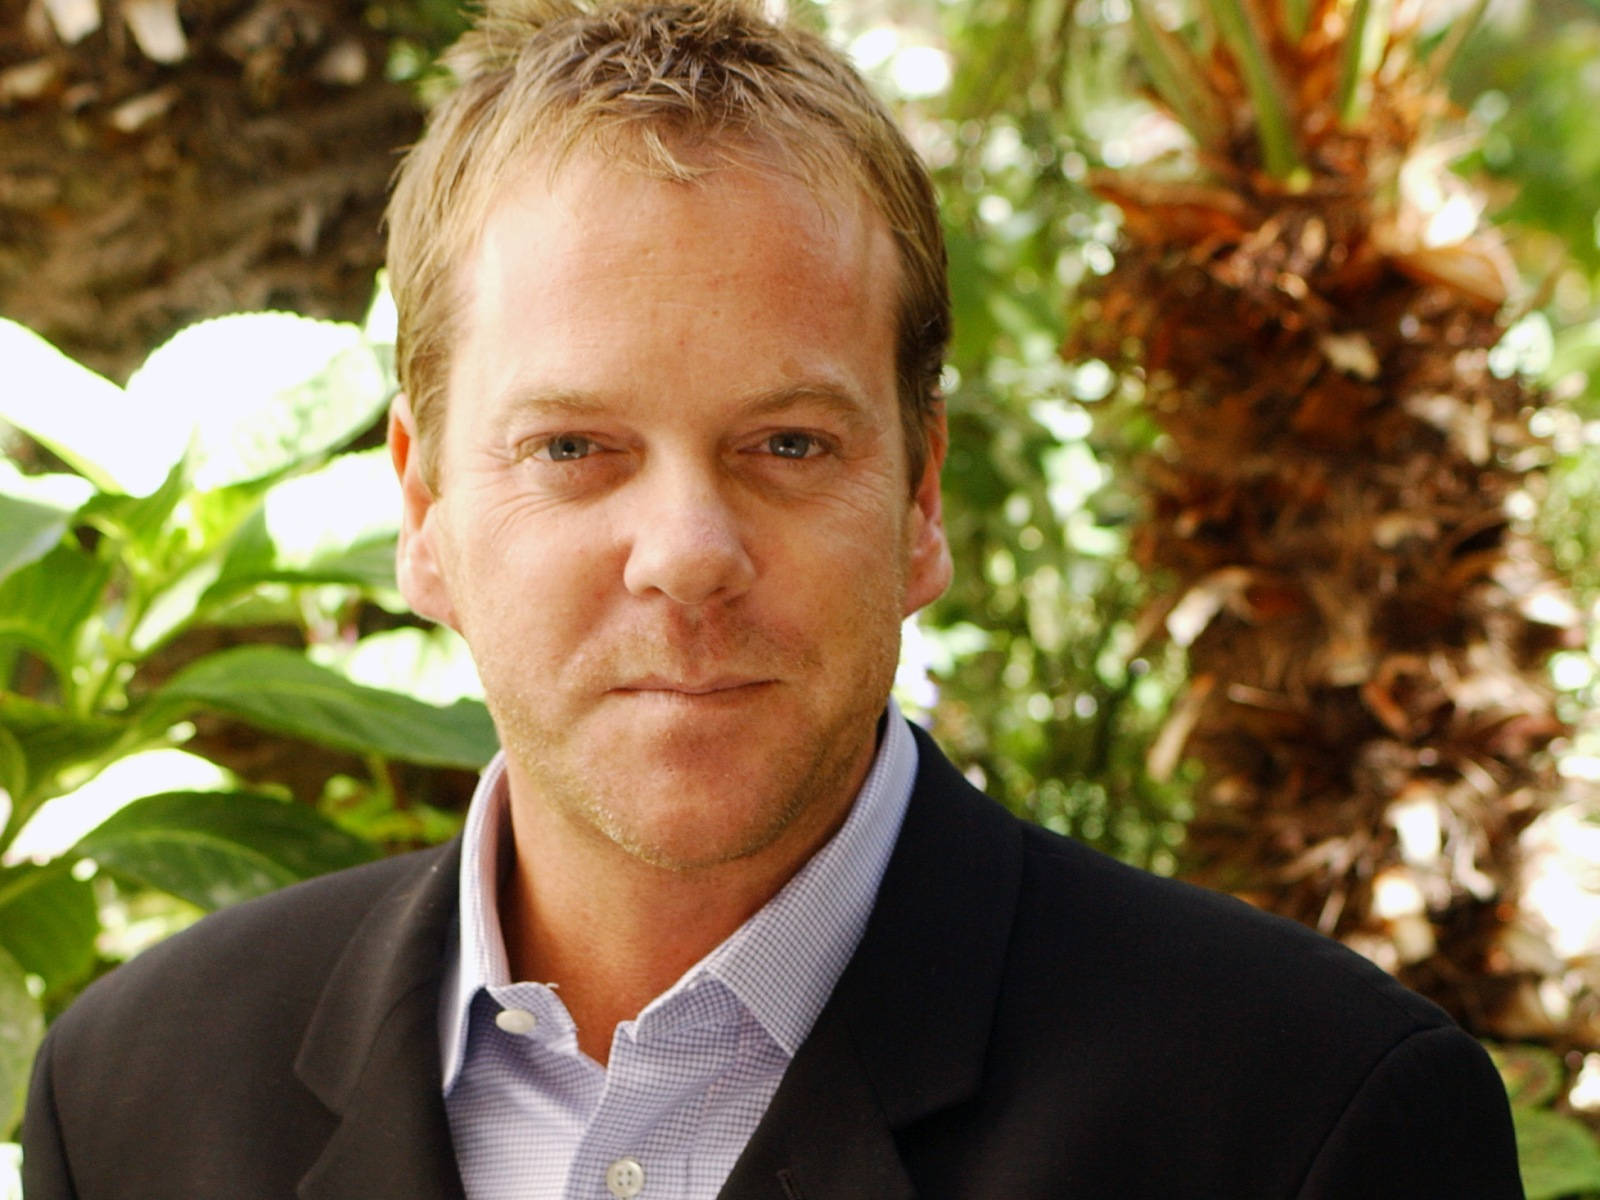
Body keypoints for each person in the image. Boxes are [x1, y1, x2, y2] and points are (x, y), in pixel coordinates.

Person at [22, 1, 1524, 1196]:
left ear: (920, 499)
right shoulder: (137, 1099)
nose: (686, 552)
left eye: (789, 444)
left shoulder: (1307, 1120)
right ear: (424, 512)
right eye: (573, 448)